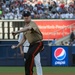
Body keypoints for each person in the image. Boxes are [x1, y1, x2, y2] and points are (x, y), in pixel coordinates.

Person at [11, 10, 44, 75]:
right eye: (25, 16)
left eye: (27, 16)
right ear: (23, 18)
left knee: (31, 56)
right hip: (32, 45)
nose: (26, 17)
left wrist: (17, 32)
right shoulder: (24, 28)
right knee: (27, 60)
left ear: (30, 17)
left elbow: (29, 28)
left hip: (38, 43)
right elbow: (23, 39)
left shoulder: (32, 23)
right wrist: (17, 46)